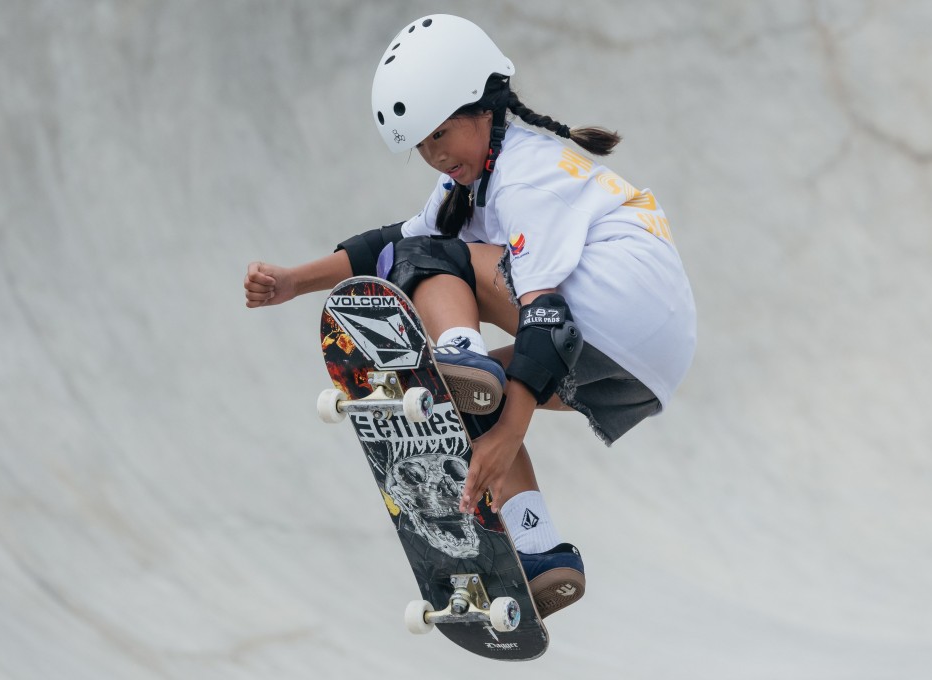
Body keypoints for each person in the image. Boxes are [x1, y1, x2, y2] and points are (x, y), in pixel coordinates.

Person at [243, 14, 696, 619]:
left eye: (441, 134)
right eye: (421, 146)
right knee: (462, 400)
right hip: (642, 367)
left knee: (443, 296)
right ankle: (538, 548)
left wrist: (509, 432)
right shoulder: (475, 177)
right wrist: (294, 281)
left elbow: (548, 321)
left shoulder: (524, 176)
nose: (435, 156)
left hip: (614, 309)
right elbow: (388, 246)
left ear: (483, 107)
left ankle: (462, 353)